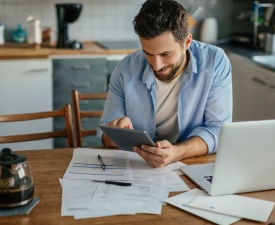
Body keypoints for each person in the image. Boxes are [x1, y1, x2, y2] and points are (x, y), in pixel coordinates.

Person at [97, 0, 232, 168]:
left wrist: (177, 152)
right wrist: (116, 132)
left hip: (192, 164)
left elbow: (219, 130)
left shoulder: (215, 62)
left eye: (165, 54)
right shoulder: (125, 70)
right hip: (139, 167)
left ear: (187, 42)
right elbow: (104, 134)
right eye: (148, 53)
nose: (156, 65)